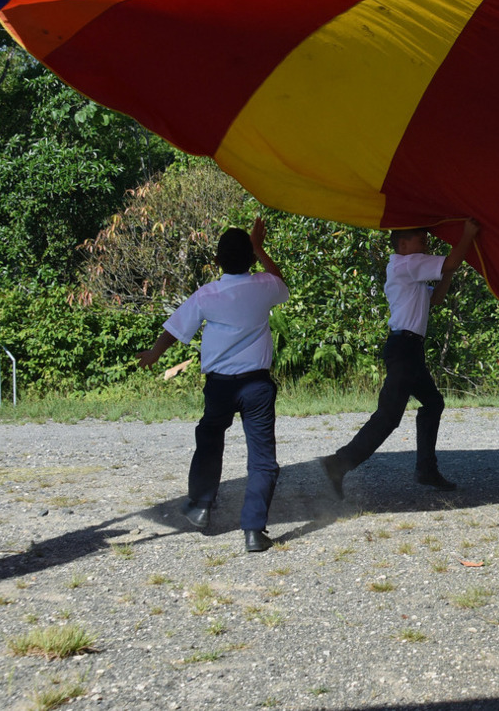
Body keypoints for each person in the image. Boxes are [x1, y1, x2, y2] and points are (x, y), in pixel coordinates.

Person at [139, 218, 289, 553]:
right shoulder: (264, 286)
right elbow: (281, 282)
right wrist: (260, 246)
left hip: (219, 385)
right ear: (251, 259)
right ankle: (253, 531)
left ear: (217, 261)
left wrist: (153, 353)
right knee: (262, 458)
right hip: (257, 386)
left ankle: (202, 504)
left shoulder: (207, 294)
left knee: (209, 437)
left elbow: (175, 330)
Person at [321, 220, 479, 497]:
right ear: (403, 245)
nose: (426, 245)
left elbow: (436, 298)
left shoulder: (408, 271)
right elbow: (450, 263)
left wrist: (448, 271)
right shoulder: (406, 264)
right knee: (389, 416)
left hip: (410, 349)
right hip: (403, 348)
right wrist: (468, 235)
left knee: (433, 403)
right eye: (421, 240)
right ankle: (339, 463)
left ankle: (426, 469)